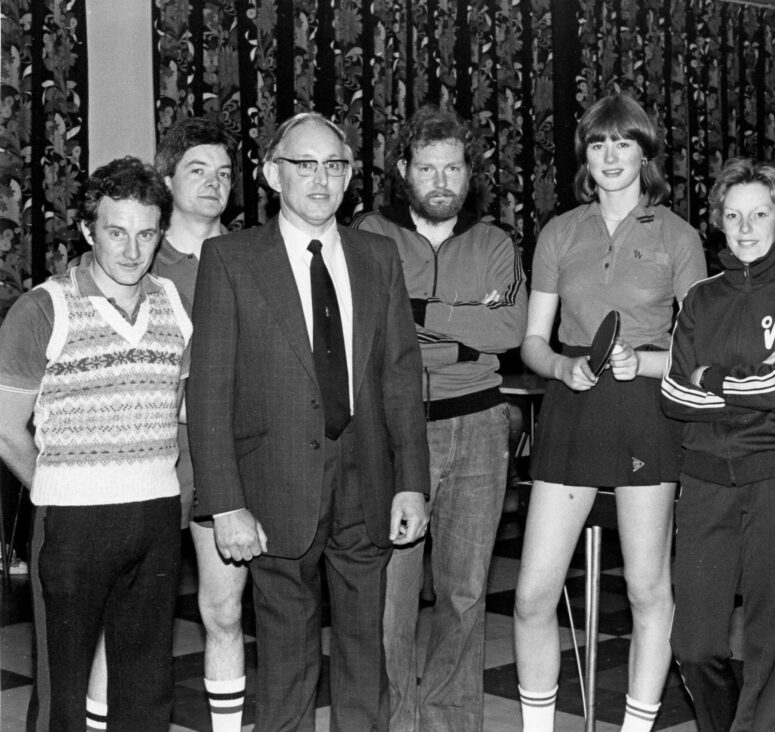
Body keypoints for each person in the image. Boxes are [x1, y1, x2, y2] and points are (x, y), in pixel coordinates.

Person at [187, 111, 430, 730]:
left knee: (364, 655)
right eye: (305, 164)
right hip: (274, 488)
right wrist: (225, 504)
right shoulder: (231, 259)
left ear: (349, 176)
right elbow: (209, 392)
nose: (321, 180)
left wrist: (412, 482)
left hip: (367, 481)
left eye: (335, 165)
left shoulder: (378, 257)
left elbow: (402, 377)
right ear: (273, 174)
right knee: (287, 662)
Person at [513, 94, 706, 732]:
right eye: (598, 144)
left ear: (645, 153)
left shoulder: (678, 236)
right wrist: (559, 367)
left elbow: (696, 349)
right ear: (585, 157)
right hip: (572, 404)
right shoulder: (560, 232)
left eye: (624, 142)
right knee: (532, 595)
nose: (611, 155)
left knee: (648, 590)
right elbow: (532, 342)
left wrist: (644, 363)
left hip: (646, 408)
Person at [353, 104, 527, 731]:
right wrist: (463, 323)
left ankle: (452, 723)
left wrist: (417, 311)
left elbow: (507, 331)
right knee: (390, 597)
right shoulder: (370, 233)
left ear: (468, 172)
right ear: (404, 169)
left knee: (465, 592)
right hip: (393, 427)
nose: (441, 180)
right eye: (427, 167)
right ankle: (396, 722)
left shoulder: (495, 241)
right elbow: (369, 330)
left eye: (452, 167)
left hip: (478, 424)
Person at [0, 157, 188, 729]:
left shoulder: (173, 302)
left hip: (156, 517)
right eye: (116, 232)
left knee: (147, 687)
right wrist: (59, 488)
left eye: (146, 234)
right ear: (87, 230)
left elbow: (179, 409)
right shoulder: (43, 308)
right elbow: (6, 430)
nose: (132, 250)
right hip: (73, 521)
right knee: (64, 693)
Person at [83, 117, 247, 732]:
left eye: (224, 173)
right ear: (167, 177)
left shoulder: (252, 255)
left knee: (225, 611)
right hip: (149, 455)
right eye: (198, 170)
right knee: (120, 619)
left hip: (224, 458)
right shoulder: (138, 259)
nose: (214, 183)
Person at [660, 158, 775, 731]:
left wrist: (710, 378)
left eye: (759, 214)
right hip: (705, 481)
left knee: (768, 650)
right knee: (694, 645)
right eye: (733, 216)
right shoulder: (699, 297)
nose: (746, 228)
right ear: (719, 222)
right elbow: (672, 394)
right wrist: (746, 390)